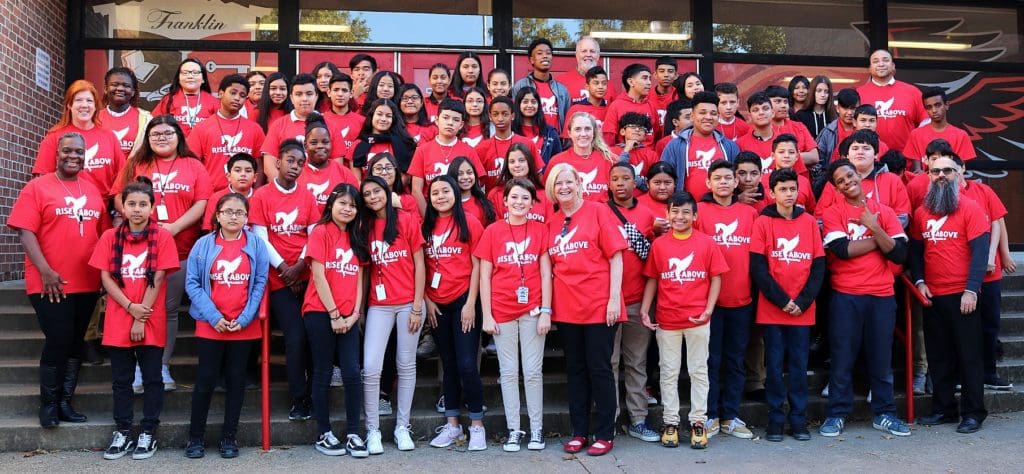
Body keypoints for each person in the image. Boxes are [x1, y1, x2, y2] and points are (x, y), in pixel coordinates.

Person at [10, 132, 107, 428]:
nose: (73, 156)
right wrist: (45, 270)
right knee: (58, 340)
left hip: (87, 282)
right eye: (67, 151)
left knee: (76, 343)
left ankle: (66, 403)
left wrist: (103, 274)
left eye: (79, 151)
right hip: (49, 283)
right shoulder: (37, 187)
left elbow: (100, 235)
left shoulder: (91, 190)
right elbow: (25, 231)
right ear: (57, 153)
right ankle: (49, 405)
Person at [114, 115, 212, 393]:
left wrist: (173, 228)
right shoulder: (137, 164)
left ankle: (161, 366)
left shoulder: (193, 165)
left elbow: (202, 202)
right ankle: (137, 367)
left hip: (180, 249)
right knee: (139, 305)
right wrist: (141, 223)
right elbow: (120, 198)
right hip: (138, 250)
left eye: (167, 133)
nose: (161, 138)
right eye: (155, 134)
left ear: (179, 136)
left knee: (168, 310)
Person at [818, 159, 912, 438]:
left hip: (882, 295)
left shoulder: (884, 211)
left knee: (881, 358)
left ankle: (884, 413)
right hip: (846, 295)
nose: (848, 183)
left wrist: (874, 225)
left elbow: (900, 255)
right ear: (836, 188)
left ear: (858, 174)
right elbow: (842, 249)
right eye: (841, 181)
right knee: (842, 357)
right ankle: (836, 414)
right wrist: (881, 240)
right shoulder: (833, 212)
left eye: (849, 176)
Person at [89, 177, 179, 460]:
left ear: (152, 207)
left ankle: (149, 430)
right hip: (119, 316)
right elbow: (105, 276)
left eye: (143, 204)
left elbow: (161, 275)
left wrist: (141, 317)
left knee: (152, 378)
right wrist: (130, 306)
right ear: (123, 208)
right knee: (121, 380)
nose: (137, 209)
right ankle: (123, 429)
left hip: (150, 317)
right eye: (131, 204)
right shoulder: (109, 237)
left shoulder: (162, 237)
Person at [545, 163, 628, 457]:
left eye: (568, 182)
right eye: (558, 184)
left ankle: (605, 432)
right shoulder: (552, 222)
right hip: (567, 309)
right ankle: (579, 431)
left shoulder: (598, 211)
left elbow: (616, 257)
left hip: (599, 307)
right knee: (575, 371)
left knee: (600, 369)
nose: (564, 188)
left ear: (579, 182)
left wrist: (614, 300)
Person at [183, 193, 269, 459]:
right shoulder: (202, 245)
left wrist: (244, 318)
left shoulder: (256, 244)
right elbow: (193, 283)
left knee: (236, 383)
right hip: (212, 325)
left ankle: (229, 438)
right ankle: (195, 438)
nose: (234, 217)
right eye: (228, 211)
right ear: (217, 215)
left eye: (240, 213)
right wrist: (213, 316)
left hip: (243, 327)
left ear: (246, 217)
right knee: (205, 381)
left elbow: (260, 283)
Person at [910, 156, 990, 434]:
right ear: (928, 175)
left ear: (959, 173)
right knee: (939, 356)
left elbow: (980, 254)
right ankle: (943, 409)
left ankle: (973, 413)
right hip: (933, 295)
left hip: (963, 295)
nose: (941, 175)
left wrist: (972, 289)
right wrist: (919, 281)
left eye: (947, 170)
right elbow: (916, 252)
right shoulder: (922, 212)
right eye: (935, 171)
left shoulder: (971, 208)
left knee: (969, 357)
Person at [641, 190, 727, 449]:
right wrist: (646, 310)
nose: (680, 217)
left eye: (685, 212)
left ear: (695, 216)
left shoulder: (707, 243)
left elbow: (716, 278)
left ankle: (698, 422)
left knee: (699, 371)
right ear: (667, 214)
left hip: (698, 319)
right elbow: (653, 279)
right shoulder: (660, 244)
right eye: (675, 212)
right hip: (667, 319)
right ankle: (671, 422)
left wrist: (709, 310)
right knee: (668, 373)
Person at [749, 168, 825, 442]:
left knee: (798, 366)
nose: (789, 194)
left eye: (793, 189)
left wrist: (802, 301)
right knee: (775, 365)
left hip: (802, 311)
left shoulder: (808, 222)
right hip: (773, 310)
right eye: (783, 189)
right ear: (772, 193)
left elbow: (818, 266)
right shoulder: (762, 222)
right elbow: (758, 268)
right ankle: (775, 419)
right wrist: (783, 301)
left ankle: (799, 419)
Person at [478, 178, 553, 452]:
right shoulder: (493, 231)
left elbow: (546, 273)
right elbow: (484, 276)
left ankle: (536, 430)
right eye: (514, 197)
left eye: (525, 198)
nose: (519, 202)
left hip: (533, 310)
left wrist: (546, 311)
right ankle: (514, 429)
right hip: (502, 310)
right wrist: (486, 314)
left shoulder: (541, 230)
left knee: (533, 372)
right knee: (508, 372)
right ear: (504, 201)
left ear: (533, 203)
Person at [249, 139, 320, 421]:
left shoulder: (307, 195)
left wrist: (301, 265)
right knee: (295, 338)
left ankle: (317, 394)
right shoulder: (262, 196)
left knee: (315, 337)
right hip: (279, 280)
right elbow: (260, 238)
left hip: (308, 276)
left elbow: (314, 233)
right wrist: (285, 270)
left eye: (301, 163)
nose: (295, 166)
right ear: (277, 163)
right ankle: (298, 398)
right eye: (291, 161)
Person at [302, 183, 371, 457]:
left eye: (353, 205)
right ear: (331, 205)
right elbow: (318, 275)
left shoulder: (357, 237)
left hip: (348, 316)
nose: (347, 209)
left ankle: (354, 432)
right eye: (342, 203)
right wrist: (334, 314)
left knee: (353, 372)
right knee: (322, 372)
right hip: (320, 313)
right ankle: (324, 432)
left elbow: (358, 278)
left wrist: (354, 313)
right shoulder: (321, 232)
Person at [360, 176, 427, 454]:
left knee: (405, 364)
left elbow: (420, 265)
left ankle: (402, 426)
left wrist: (416, 306)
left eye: (377, 191)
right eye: (367, 194)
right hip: (379, 304)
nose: (373, 197)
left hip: (408, 303)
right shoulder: (363, 226)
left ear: (387, 191)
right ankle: (372, 430)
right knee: (372, 366)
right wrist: (361, 309)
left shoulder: (406, 220)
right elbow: (364, 271)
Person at [694, 159, 759, 440]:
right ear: (708, 183)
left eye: (727, 178)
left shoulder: (750, 213)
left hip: (741, 298)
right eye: (717, 178)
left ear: (736, 183)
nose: (722, 182)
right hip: (709, 302)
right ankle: (709, 415)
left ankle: (730, 415)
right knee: (710, 360)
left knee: (734, 360)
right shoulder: (700, 212)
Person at [421, 175, 487, 451]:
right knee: (448, 365)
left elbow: (478, 264)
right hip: (437, 304)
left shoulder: (469, 222)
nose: (440, 196)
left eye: (445, 191)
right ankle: (452, 426)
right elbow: (419, 267)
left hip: (464, 302)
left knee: (467, 364)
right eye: (434, 192)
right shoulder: (425, 226)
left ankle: (477, 426)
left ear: (455, 193)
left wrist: (471, 303)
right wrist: (426, 299)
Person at [606, 163, 659, 444]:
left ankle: (638, 419)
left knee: (637, 362)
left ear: (635, 182)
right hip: (609, 302)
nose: (620, 183)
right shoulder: (600, 212)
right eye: (615, 179)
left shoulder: (647, 214)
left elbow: (653, 259)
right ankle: (610, 418)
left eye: (626, 178)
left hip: (639, 300)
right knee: (610, 362)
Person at [952, 158, 1013, 390]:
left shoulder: (982, 190)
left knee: (989, 325)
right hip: (959, 274)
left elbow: (997, 221)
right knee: (962, 327)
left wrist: (1001, 255)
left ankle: (989, 372)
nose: (949, 174)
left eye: (953, 169)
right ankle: (960, 375)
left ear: (963, 169)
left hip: (989, 272)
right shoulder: (941, 196)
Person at [33, 80, 124, 199]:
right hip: (65, 207)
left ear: (96, 106)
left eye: (89, 101)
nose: (84, 105)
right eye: (78, 100)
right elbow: (42, 179)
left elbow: (123, 177)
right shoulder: (54, 136)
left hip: (104, 210)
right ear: (69, 105)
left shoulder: (109, 137)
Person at [186, 74, 266, 192]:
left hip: (244, 198)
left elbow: (260, 166)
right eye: (233, 93)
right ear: (221, 93)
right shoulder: (202, 128)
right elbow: (192, 165)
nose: (237, 98)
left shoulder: (254, 129)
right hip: (211, 196)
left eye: (242, 95)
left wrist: (256, 193)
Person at [408, 99, 485, 214]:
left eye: (455, 120)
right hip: (431, 213)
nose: (450, 123)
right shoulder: (422, 150)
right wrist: (428, 219)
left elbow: (478, 187)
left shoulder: (469, 151)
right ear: (437, 121)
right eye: (446, 118)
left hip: (463, 214)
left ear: (461, 125)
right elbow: (416, 190)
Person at [815, 130, 910, 224]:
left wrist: (875, 232)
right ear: (847, 155)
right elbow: (820, 220)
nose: (860, 152)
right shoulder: (835, 183)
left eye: (866, 148)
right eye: (855, 148)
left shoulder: (893, 180)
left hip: (883, 237)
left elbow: (903, 218)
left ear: (876, 155)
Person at [660, 91, 740, 198]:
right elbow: (664, 178)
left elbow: (737, 178)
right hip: (687, 210)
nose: (708, 117)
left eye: (713, 113)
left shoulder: (729, 146)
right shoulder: (675, 146)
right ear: (692, 116)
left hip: (722, 209)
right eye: (702, 112)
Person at [856, 49, 928, 153]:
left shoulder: (912, 92)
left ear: (893, 66)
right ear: (870, 68)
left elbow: (925, 125)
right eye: (875, 61)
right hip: (869, 160)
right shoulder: (859, 94)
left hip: (906, 162)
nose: (881, 64)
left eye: (885, 60)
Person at [261, 74, 320, 181]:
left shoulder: (330, 125)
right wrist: (285, 188)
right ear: (291, 98)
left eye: (309, 94)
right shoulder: (278, 125)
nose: (304, 99)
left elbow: (335, 164)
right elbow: (269, 165)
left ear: (316, 96)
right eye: (299, 94)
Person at [544, 112, 615, 202]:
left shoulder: (609, 160)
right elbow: (548, 194)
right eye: (577, 129)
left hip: (600, 214)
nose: (583, 134)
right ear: (569, 133)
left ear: (594, 132)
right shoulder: (557, 162)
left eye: (587, 129)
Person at [297, 114, 359, 213]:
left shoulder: (345, 174)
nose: (320, 146)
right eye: (313, 142)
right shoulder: (296, 172)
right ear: (305, 145)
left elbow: (355, 206)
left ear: (331, 143)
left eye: (325, 142)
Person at [477, 95, 542, 190]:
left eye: (505, 114)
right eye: (495, 114)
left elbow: (538, 176)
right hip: (493, 201)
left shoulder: (528, 144)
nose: (500, 118)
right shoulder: (481, 148)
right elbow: (478, 183)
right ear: (490, 117)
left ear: (512, 116)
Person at [903, 87, 977, 167]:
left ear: (947, 105)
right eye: (929, 107)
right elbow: (917, 170)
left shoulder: (961, 135)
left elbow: (959, 169)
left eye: (937, 105)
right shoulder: (916, 135)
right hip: (925, 179)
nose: (934, 110)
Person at [512, 38, 571, 132]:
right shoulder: (520, 86)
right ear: (532, 60)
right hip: (527, 141)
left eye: (548, 53)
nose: (545, 56)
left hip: (555, 143)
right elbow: (515, 116)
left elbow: (568, 121)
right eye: (539, 53)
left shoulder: (562, 90)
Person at [351, 98, 417, 180]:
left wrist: (387, 192)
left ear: (393, 120)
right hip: (368, 191)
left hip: (395, 192)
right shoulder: (358, 144)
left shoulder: (403, 143)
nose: (383, 119)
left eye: (388, 116)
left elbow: (405, 178)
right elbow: (357, 180)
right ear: (372, 116)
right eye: (379, 114)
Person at [487, 143, 551, 223]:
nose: (517, 165)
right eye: (512, 162)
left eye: (521, 160)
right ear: (507, 165)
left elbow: (549, 228)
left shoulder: (545, 195)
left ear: (529, 163)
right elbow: (494, 228)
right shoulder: (495, 194)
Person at [154, 58, 218, 136]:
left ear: (203, 79)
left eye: (195, 73)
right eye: (185, 73)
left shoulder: (213, 102)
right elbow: (154, 125)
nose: (190, 76)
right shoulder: (168, 100)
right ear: (178, 78)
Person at [99, 67, 152, 159]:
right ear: (106, 89)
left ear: (133, 92)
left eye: (126, 85)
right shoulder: (94, 118)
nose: (120, 88)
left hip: (134, 172)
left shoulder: (146, 119)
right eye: (114, 84)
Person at [602, 63, 660, 147]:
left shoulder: (651, 105)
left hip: (648, 157)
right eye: (644, 78)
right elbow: (608, 139)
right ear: (630, 82)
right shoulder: (617, 105)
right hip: (624, 156)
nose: (649, 83)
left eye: (650, 79)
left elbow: (657, 135)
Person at [759, 134, 816, 214]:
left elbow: (811, 210)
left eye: (791, 152)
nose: (786, 156)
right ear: (773, 155)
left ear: (797, 156)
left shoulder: (804, 181)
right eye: (781, 152)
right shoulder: (762, 181)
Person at [201, 153, 258, 232]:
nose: (243, 174)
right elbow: (209, 229)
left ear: (255, 177)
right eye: (237, 170)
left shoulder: (261, 197)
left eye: (248, 171)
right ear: (228, 176)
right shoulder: (217, 198)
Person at [765, 86, 819, 169]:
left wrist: (783, 156)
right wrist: (795, 155)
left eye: (785, 102)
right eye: (778, 101)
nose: (783, 106)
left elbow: (814, 157)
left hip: (800, 180)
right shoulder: (762, 129)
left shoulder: (799, 127)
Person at [556, 36, 617, 103]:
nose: (588, 54)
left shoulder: (608, 86)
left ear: (598, 56)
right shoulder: (560, 82)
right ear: (577, 55)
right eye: (584, 51)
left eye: (592, 51)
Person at [512, 86, 562, 164]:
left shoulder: (550, 132)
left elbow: (558, 161)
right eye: (525, 102)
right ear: (518, 105)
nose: (530, 105)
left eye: (533, 102)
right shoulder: (511, 132)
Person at [324, 73, 367, 163]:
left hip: (354, 173)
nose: (340, 94)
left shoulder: (362, 121)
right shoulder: (321, 120)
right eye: (336, 90)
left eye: (344, 90)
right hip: (329, 173)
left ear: (351, 93)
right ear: (329, 92)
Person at [609, 113, 659, 187]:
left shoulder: (651, 155)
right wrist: (626, 150)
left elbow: (654, 184)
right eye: (632, 127)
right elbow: (614, 175)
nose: (637, 130)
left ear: (645, 136)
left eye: (642, 128)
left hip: (643, 196)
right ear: (622, 131)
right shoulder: (611, 152)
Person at [815, 88, 860, 165]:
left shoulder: (865, 130)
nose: (849, 113)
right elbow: (818, 161)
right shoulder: (828, 132)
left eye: (853, 108)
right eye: (845, 108)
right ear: (838, 108)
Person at [562, 66, 610, 138]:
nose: (600, 87)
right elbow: (567, 139)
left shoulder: (610, 110)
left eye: (604, 83)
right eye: (596, 83)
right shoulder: (576, 110)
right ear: (587, 87)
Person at [448, 156, 496, 226]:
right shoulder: (447, 204)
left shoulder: (483, 203)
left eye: (469, 173)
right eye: (460, 174)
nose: (466, 177)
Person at [637, 161, 678, 234]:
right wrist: (651, 229)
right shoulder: (636, 205)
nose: (662, 187)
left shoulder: (683, 205)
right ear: (647, 183)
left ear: (675, 183)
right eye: (657, 183)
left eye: (667, 183)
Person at [648, 57, 679, 127]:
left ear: (676, 75)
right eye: (662, 71)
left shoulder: (680, 96)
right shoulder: (645, 96)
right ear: (655, 75)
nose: (666, 75)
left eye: (670, 71)